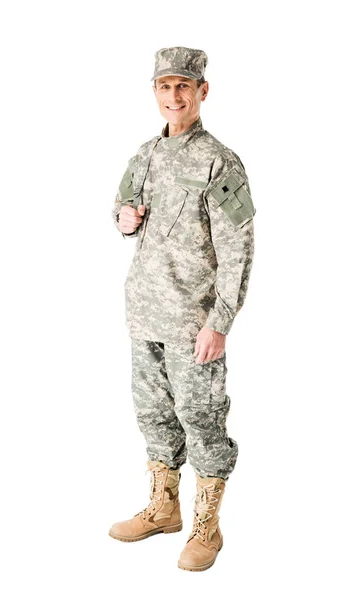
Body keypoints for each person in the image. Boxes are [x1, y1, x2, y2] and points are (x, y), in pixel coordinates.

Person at [109, 46, 256, 572]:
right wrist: (125, 219)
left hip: (193, 321)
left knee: (202, 419)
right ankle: (163, 508)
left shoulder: (220, 159)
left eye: (184, 87)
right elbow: (122, 209)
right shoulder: (144, 155)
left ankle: (206, 527)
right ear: (155, 92)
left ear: (202, 92)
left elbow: (239, 246)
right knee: (153, 416)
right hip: (143, 313)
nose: (174, 96)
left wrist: (220, 321)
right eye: (165, 87)